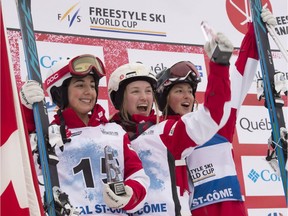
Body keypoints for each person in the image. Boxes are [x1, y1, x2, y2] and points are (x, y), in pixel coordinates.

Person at [156, 8, 277, 216]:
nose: (187, 96)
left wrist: (256, 31)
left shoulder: (219, 122)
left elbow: (241, 73)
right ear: (164, 98)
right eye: (178, 91)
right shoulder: (160, 136)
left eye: (189, 91)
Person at [107, 33, 233, 215]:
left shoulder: (164, 131)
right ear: (119, 99)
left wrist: (219, 65)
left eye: (149, 91)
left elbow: (210, 117)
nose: (144, 97)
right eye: (135, 91)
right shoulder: (107, 136)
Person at [19, 54, 150, 215]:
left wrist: (130, 195)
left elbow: (137, 176)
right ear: (59, 91)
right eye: (80, 85)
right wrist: (27, 111)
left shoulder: (115, 132)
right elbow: (24, 172)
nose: (89, 92)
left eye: (93, 85)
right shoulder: (50, 135)